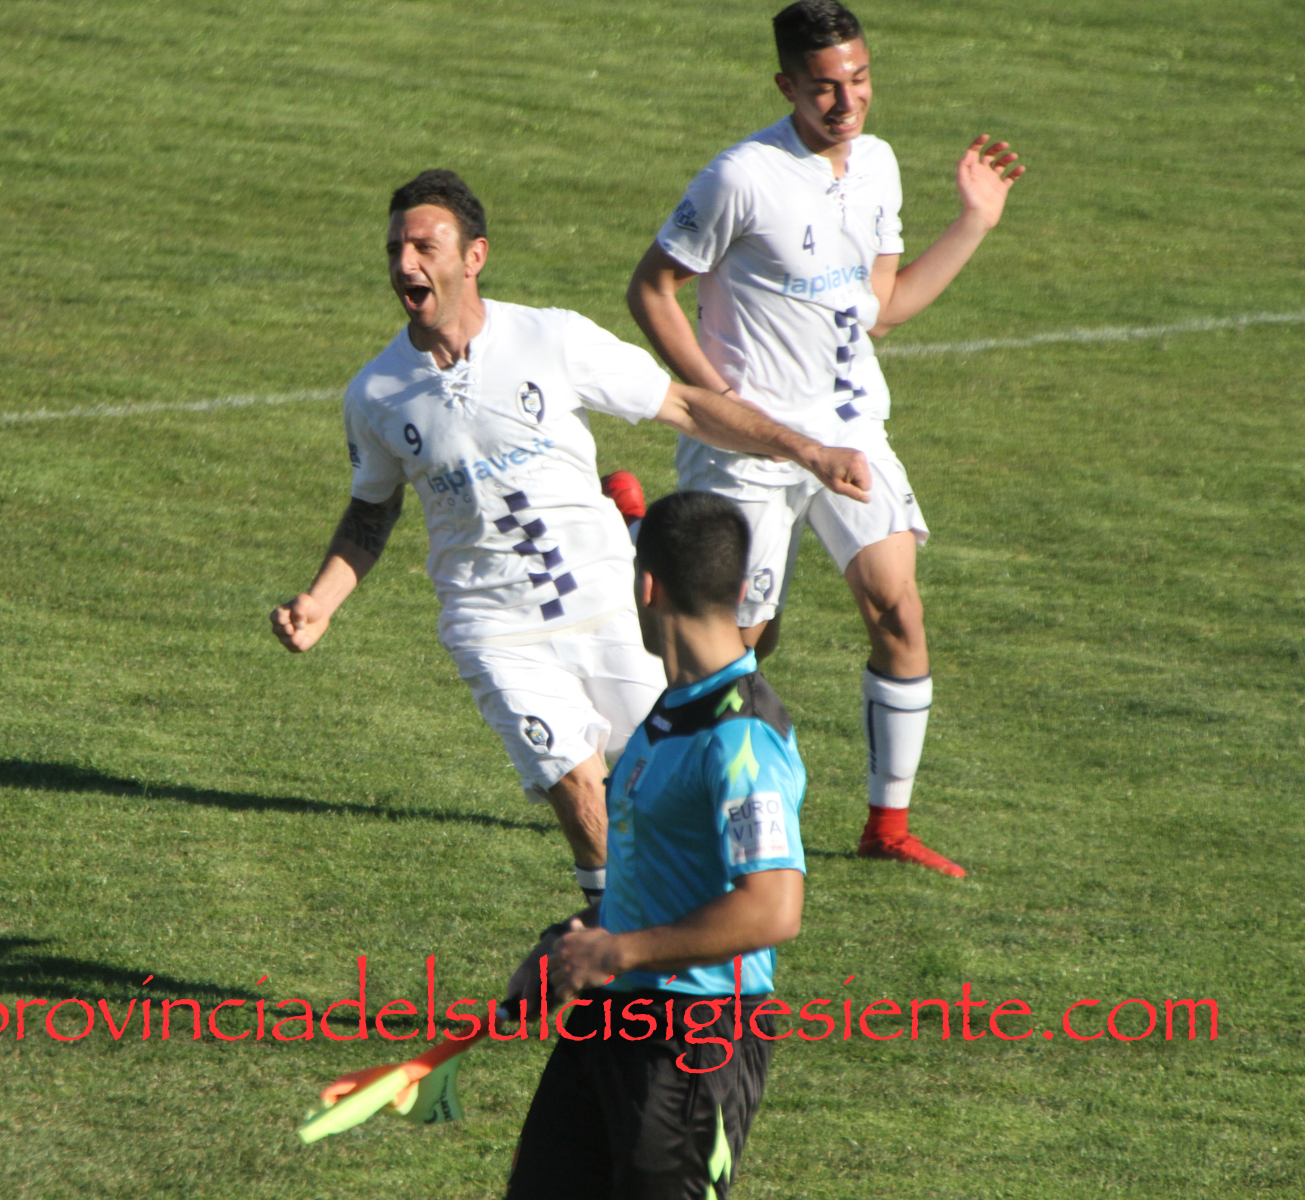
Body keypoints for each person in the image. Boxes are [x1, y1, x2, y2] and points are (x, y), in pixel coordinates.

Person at [270, 169, 864, 905]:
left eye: (424, 246)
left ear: (474, 256)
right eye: (395, 248)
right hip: (492, 625)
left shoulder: (551, 338)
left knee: (670, 779)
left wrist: (806, 449)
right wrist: (321, 601)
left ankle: (685, 933)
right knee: (580, 789)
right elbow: (371, 510)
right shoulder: (375, 394)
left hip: (608, 603)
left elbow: (683, 405)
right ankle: (621, 945)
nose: (405, 263)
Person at [625, 0, 1025, 877]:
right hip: (750, 448)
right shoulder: (742, 177)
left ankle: (888, 826)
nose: (846, 101)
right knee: (736, 646)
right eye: (823, 87)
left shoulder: (878, 165)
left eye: (859, 79)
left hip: (850, 430)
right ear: (786, 86)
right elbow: (650, 289)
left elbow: (881, 310)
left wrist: (974, 223)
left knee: (898, 608)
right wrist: (717, 397)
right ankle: (668, 797)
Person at [504, 490, 806, 1199]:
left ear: (647, 586)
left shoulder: (742, 738)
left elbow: (772, 909)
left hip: (695, 1041)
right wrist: (572, 940)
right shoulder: (671, 712)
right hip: (611, 1020)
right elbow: (663, 877)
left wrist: (615, 952)